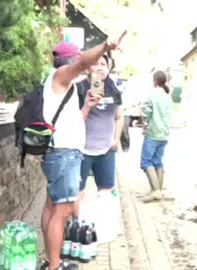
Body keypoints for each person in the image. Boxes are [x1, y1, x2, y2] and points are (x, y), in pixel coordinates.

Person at [40, 31, 126, 270]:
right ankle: (55, 266)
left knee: (51, 207)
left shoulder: (61, 85)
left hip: (61, 151)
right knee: (62, 211)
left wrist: (87, 105)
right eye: (79, 60)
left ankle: (51, 262)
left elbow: (75, 120)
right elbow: (82, 63)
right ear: (70, 60)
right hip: (63, 153)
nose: (86, 67)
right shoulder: (60, 76)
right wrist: (105, 46)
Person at [74, 53, 124, 218]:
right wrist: (88, 105)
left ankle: (104, 226)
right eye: (96, 64)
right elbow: (72, 121)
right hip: (82, 150)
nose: (100, 67)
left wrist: (116, 139)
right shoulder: (79, 89)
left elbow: (118, 117)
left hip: (106, 150)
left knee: (107, 191)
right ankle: (76, 227)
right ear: (88, 68)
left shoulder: (113, 88)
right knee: (77, 191)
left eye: (104, 64)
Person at [139, 70, 174, 203]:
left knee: (146, 162)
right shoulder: (167, 96)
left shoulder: (152, 95)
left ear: (154, 81)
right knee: (157, 161)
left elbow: (146, 112)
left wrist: (144, 125)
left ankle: (155, 191)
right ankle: (157, 190)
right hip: (164, 134)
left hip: (153, 133)